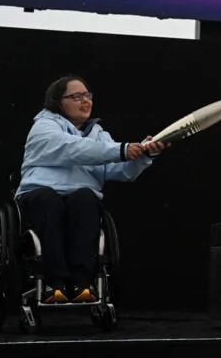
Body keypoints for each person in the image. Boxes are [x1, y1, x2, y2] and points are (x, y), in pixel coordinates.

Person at [16, 75, 167, 304]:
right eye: (76, 96)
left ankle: (81, 283)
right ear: (58, 102)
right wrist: (122, 149)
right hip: (39, 193)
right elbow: (73, 149)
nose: (85, 101)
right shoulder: (43, 127)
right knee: (49, 200)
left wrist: (145, 155)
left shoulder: (98, 134)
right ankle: (52, 283)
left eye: (87, 95)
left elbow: (121, 169)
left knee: (85, 198)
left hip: (80, 196)